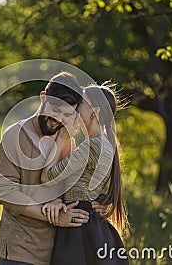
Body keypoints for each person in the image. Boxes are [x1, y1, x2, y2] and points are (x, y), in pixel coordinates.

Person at [0, 72, 108, 265]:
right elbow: (5, 192)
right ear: (43, 98)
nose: (59, 120)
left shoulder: (65, 140)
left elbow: (66, 185)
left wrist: (99, 202)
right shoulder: (15, 135)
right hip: (18, 250)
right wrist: (53, 217)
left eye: (67, 115)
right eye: (56, 110)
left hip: (56, 251)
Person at [40, 84, 129, 264]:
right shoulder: (105, 143)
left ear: (93, 111)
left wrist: (61, 139)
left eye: (81, 103)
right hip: (89, 224)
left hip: (78, 228)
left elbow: (47, 177)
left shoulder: (92, 146)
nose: (75, 109)